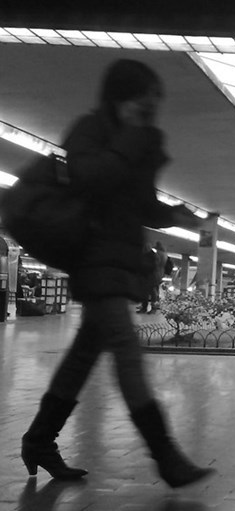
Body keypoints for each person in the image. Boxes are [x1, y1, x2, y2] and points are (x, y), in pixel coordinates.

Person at [20, 59, 214, 487]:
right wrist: (130, 138)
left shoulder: (139, 139)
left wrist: (173, 214)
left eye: (155, 100)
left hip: (120, 261)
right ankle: (165, 456)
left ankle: (39, 440)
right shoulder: (91, 129)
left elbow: (139, 204)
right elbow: (89, 179)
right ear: (122, 94)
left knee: (83, 356)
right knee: (126, 348)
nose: (151, 106)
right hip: (93, 257)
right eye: (144, 97)